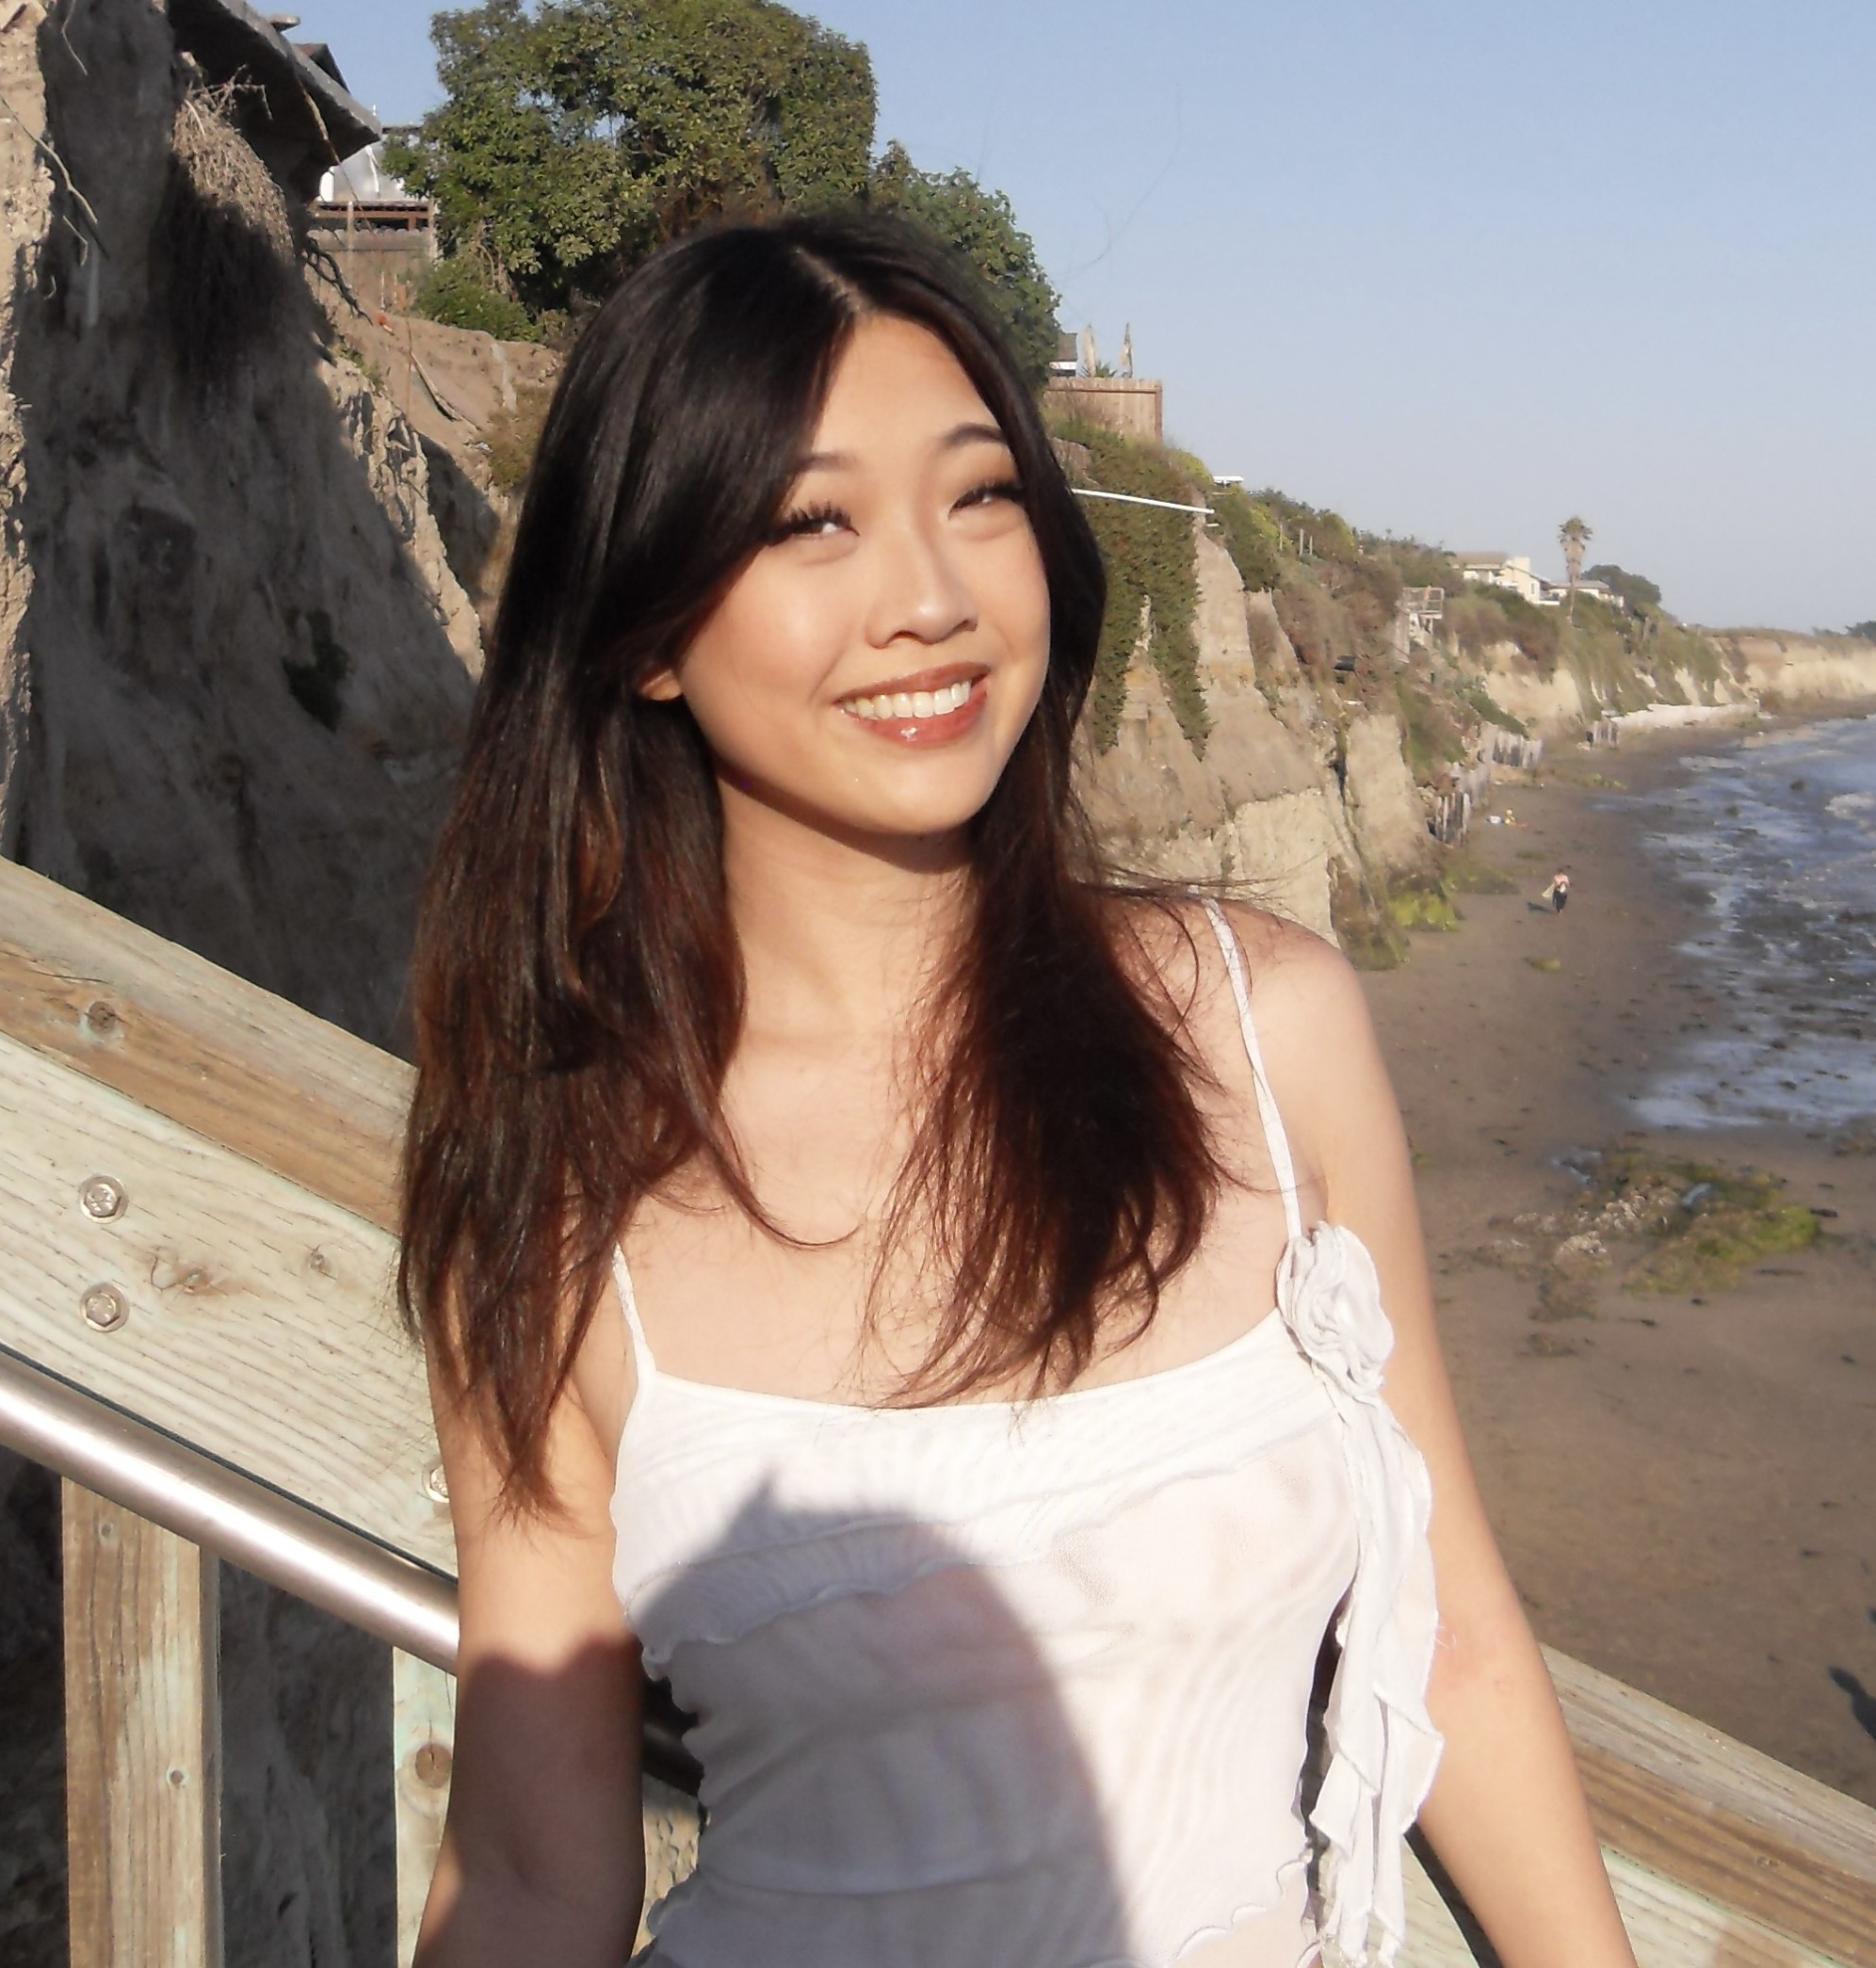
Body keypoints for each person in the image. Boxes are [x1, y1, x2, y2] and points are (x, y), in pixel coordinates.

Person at [398, 213, 1636, 1968]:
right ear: (646, 630)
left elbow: (1454, 1638)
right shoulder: (555, 1188)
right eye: (812, 521)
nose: (932, 596)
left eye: (980, 495)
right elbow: (535, 1872)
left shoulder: (1263, 1030)